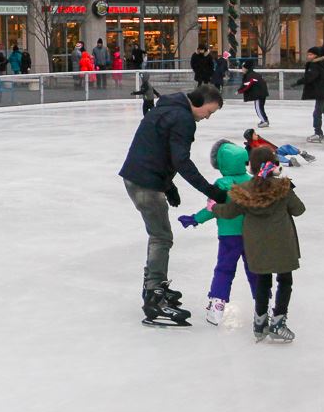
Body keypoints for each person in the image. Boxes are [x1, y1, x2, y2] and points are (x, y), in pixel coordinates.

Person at [116, 84, 230, 327]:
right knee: (161, 237)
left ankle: (155, 288)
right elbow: (181, 160)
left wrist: (168, 185)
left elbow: (159, 149)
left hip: (141, 177)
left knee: (159, 236)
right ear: (199, 102)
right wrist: (210, 190)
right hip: (145, 183)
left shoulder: (167, 108)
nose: (207, 117)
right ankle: (154, 296)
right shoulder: (183, 119)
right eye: (209, 112)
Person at [209, 146, 305, 342]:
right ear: (273, 164)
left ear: (251, 168)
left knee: (263, 281)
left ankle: (260, 322)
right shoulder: (283, 188)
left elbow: (229, 212)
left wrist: (214, 207)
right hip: (282, 243)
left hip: (257, 245)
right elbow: (299, 210)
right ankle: (278, 321)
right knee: (285, 281)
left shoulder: (244, 191)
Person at [178, 140, 257, 325]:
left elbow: (212, 209)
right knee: (255, 270)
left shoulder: (222, 184)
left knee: (224, 269)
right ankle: (265, 304)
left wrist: (195, 218)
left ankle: (216, 307)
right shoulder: (253, 181)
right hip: (252, 235)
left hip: (229, 236)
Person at [293, 46, 324, 143]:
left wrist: (298, 82)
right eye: (308, 54)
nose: (308, 56)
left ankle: (318, 133)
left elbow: (310, 77)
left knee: (317, 113)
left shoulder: (315, 65)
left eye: (311, 54)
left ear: (316, 55)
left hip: (321, 93)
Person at [238, 61, 270, 127]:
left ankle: (264, 121)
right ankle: (264, 119)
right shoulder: (254, 74)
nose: (242, 70)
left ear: (246, 68)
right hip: (261, 93)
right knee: (260, 107)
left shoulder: (250, 76)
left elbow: (247, 85)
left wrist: (239, 91)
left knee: (258, 108)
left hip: (259, 94)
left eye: (243, 68)